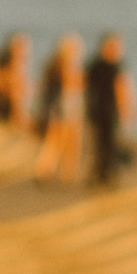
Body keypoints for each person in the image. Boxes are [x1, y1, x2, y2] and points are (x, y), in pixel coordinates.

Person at [84, 32, 137, 187]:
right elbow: (120, 89)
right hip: (109, 111)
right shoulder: (115, 67)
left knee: (101, 144)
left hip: (96, 110)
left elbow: (84, 86)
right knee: (109, 144)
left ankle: (101, 175)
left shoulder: (93, 65)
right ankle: (106, 176)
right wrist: (127, 111)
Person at [32, 33, 85, 182]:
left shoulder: (53, 65)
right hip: (65, 108)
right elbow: (71, 84)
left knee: (58, 141)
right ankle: (61, 171)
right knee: (66, 141)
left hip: (59, 108)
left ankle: (51, 169)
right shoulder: (63, 66)